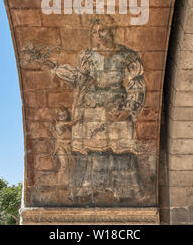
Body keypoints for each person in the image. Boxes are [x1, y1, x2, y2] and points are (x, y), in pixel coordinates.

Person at [50, 16, 146, 204]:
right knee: (93, 152)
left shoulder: (128, 55)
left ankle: (123, 191)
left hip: (117, 109)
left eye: (102, 30)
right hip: (92, 110)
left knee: (120, 151)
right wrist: (57, 69)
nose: (98, 35)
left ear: (112, 31)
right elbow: (80, 78)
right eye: (94, 32)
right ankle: (88, 189)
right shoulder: (86, 56)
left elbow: (136, 82)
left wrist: (128, 108)